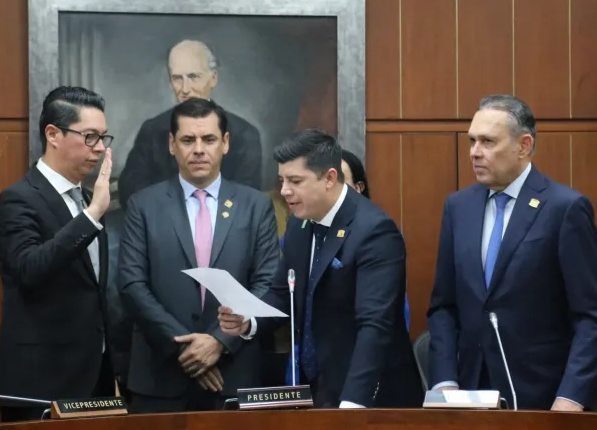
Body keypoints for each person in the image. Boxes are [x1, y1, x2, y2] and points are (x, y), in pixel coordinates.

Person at [427, 95, 597, 411]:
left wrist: (571, 396)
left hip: (542, 396)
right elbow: (443, 306)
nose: (474, 152)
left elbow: (593, 317)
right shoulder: (459, 207)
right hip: (469, 394)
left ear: (524, 146)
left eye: (487, 142)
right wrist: (445, 381)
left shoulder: (564, 208)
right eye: (472, 141)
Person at [218, 129, 424, 408]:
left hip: (370, 396)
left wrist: (353, 403)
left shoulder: (374, 230)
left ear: (329, 178)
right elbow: (282, 292)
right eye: (282, 180)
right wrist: (250, 320)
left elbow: (375, 324)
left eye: (295, 181)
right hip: (317, 390)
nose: (284, 191)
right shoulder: (299, 224)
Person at [117, 97, 278, 413]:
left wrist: (218, 342)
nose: (199, 149)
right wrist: (188, 349)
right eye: (188, 140)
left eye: (209, 139)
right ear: (172, 145)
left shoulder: (255, 206)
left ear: (225, 143)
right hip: (160, 381)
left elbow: (268, 285)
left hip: (234, 379)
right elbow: (132, 286)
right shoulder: (143, 205)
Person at [0, 86, 116, 422]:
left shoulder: (89, 198)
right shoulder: (18, 199)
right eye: (90, 137)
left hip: (96, 382)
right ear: (53, 134)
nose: (101, 148)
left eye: (104, 137)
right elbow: (29, 269)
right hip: (41, 384)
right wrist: (92, 216)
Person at [118, 39, 263, 208]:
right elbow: (131, 192)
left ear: (213, 78)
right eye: (177, 78)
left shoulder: (245, 135)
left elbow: (245, 203)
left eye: (193, 77)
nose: (185, 89)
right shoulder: (152, 130)